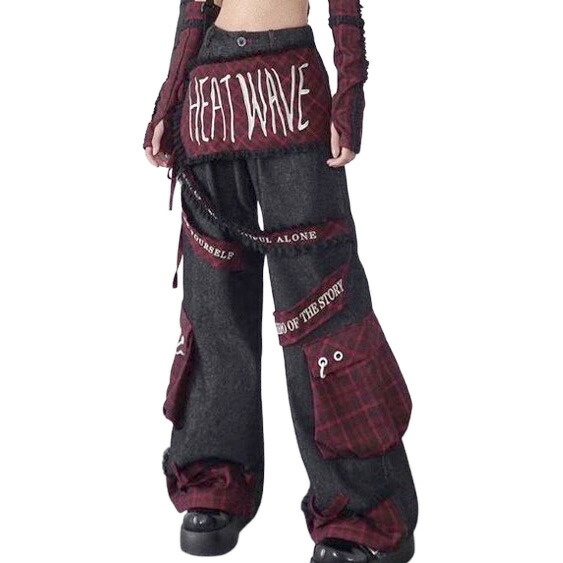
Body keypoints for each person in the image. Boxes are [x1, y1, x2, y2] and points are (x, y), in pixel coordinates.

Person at [143, 1, 418, 561]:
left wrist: (349, 92)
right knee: (212, 301)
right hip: (208, 96)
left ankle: (360, 508)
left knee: (321, 305)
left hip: (292, 92)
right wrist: (169, 102)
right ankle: (215, 477)